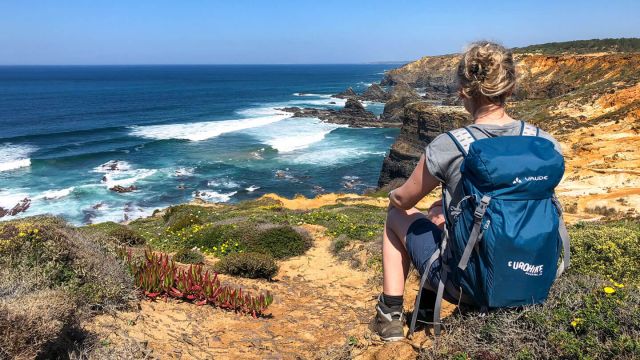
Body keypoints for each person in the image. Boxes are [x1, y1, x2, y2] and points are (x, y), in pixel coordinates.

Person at [373, 41, 563, 341]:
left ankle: (390, 316)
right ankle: (423, 306)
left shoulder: (451, 145)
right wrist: (443, 210)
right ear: (510, 87)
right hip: (537, 278)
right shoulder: (544, 142)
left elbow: (405, 198)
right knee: (439, 216)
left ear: (463, 89)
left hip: (467, 285)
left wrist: (393, 197)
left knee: (397, 215)